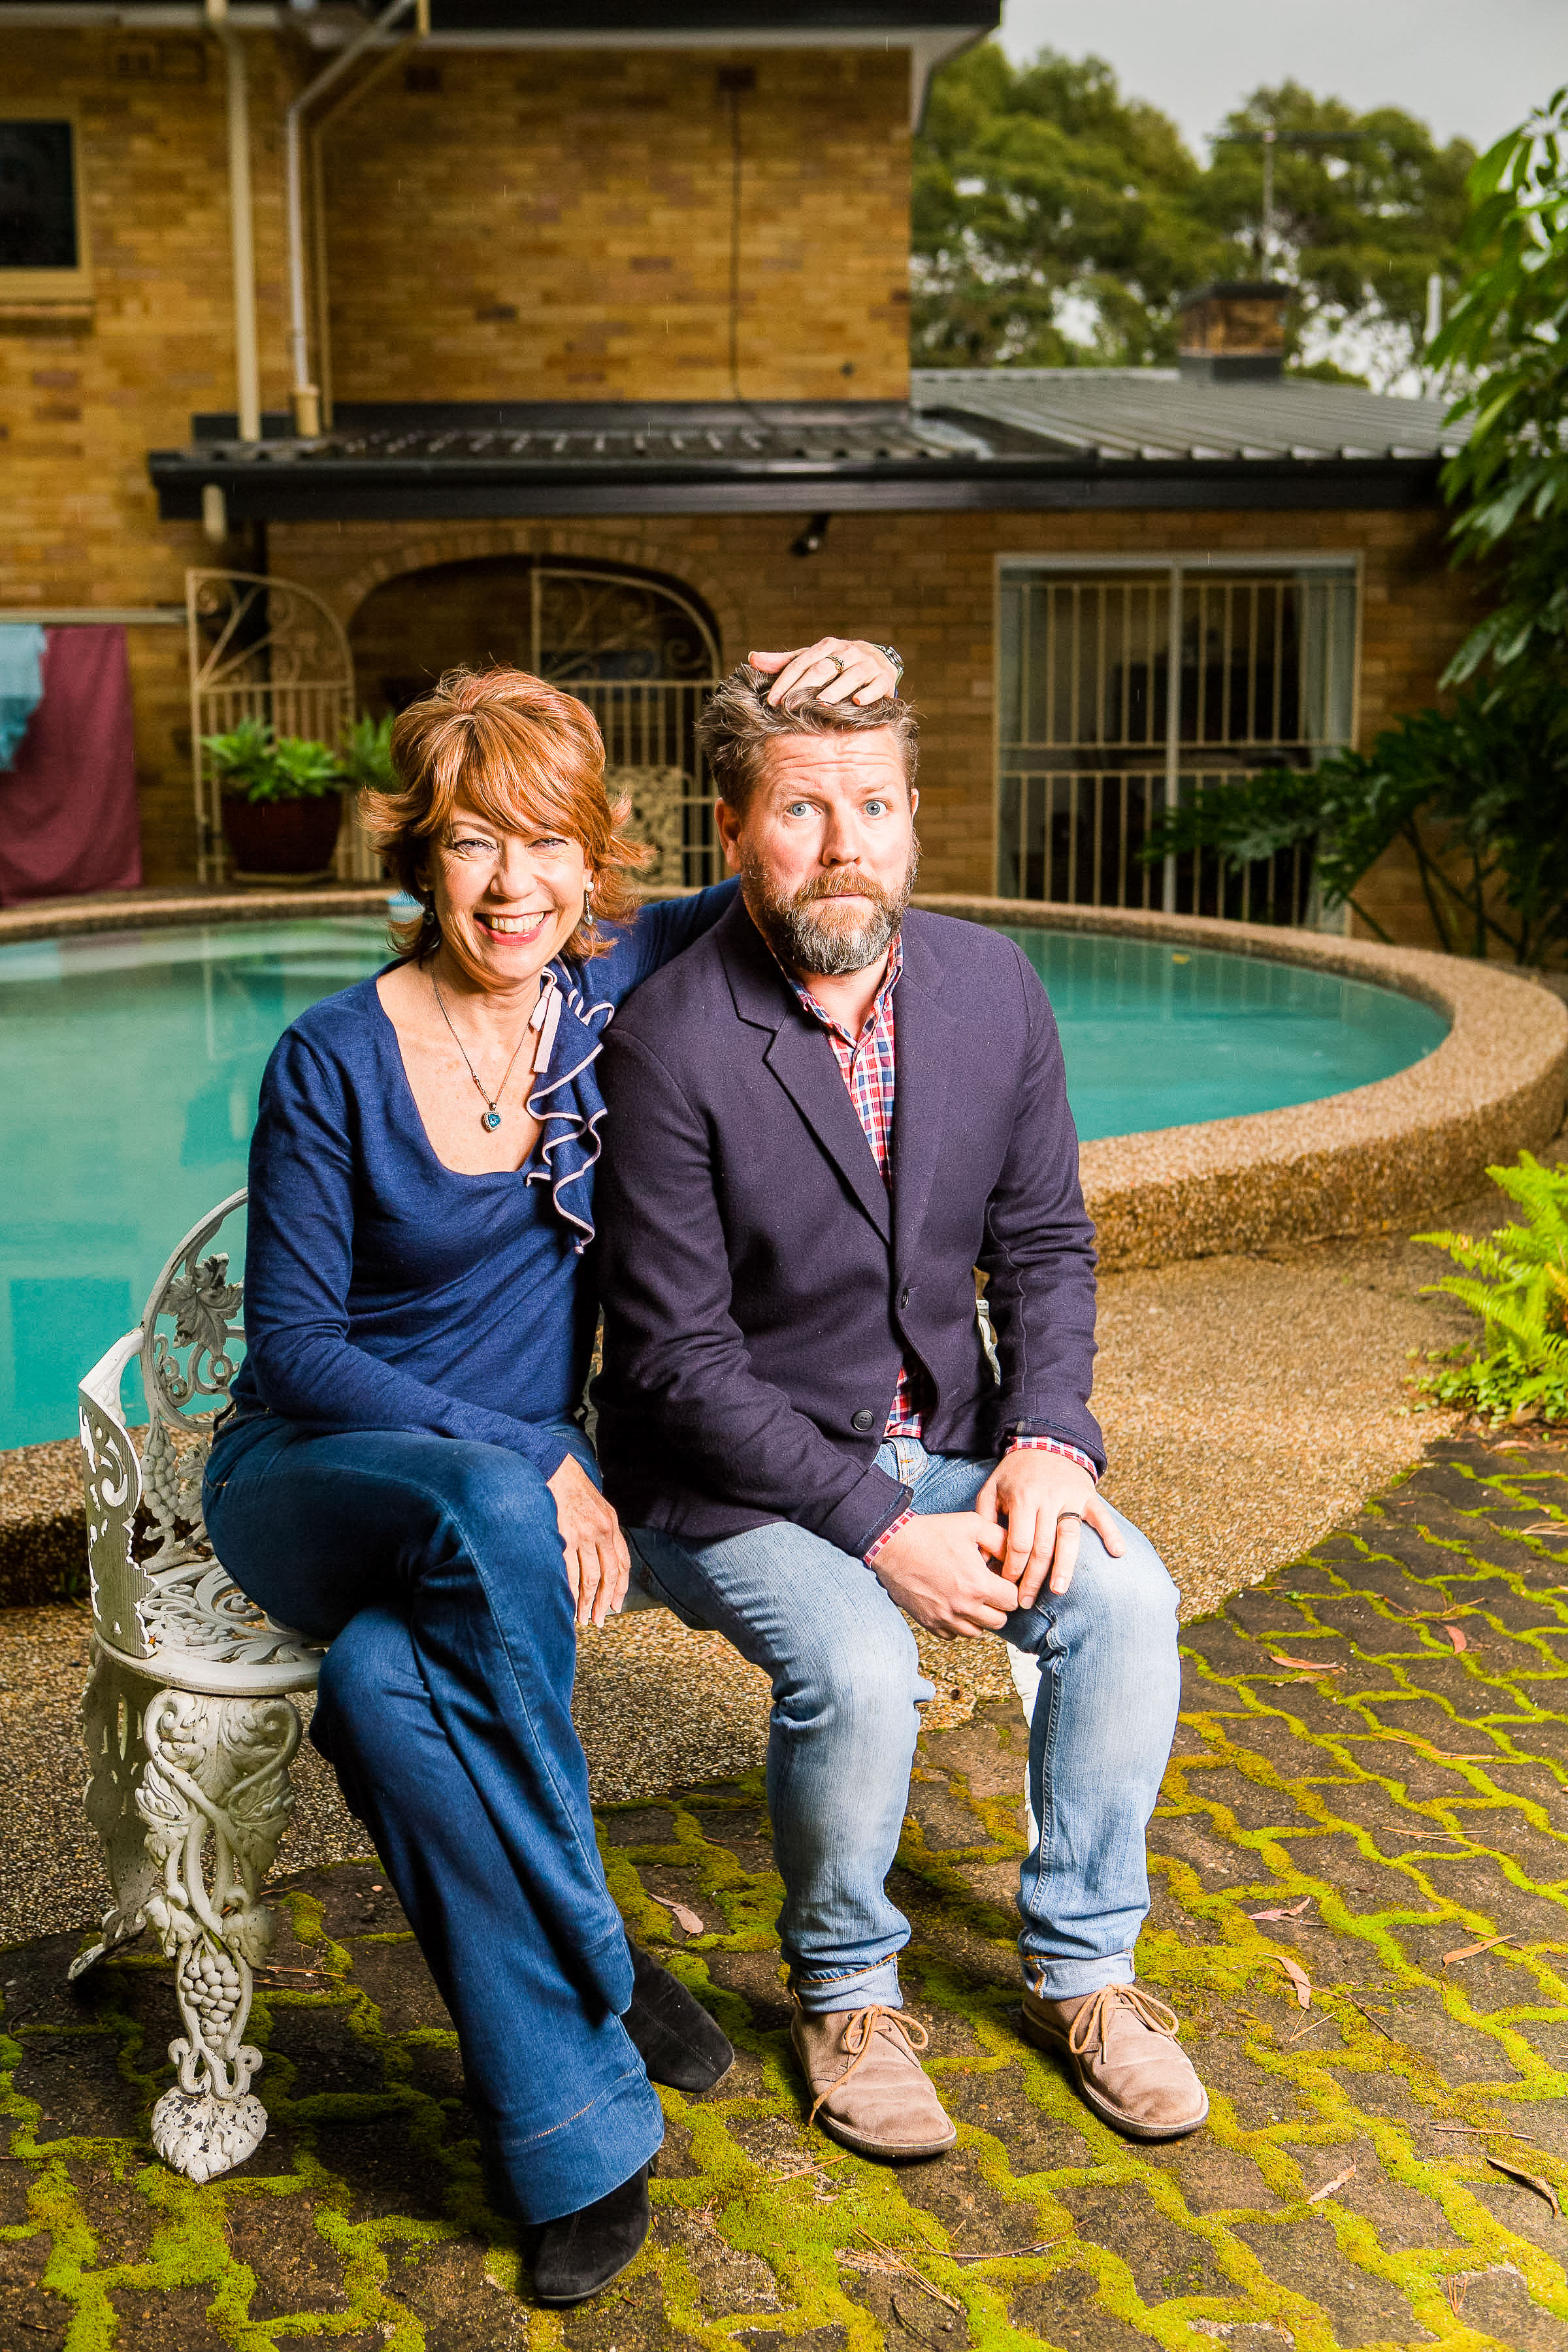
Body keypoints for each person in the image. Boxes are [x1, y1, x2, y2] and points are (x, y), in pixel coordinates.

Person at [200, 639, 900, 2304]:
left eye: (546, 843)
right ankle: (606, 1946)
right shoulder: (334, 1057)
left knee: (384, 1693)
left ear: (596, 858)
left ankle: (570, 2134)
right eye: (469, 841)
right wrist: (542, 1455)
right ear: (420, 856)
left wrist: (810, 686)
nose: (512, 885)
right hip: (317, 1480)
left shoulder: (610, 990)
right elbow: (292, 1350)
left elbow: (789, 853)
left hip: (486, 1531)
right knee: (474, 1501)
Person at [592, 664, 1208, 2166]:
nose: (843, 839)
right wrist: (884, 1531)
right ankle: (850, 1993)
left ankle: (1090, 1967)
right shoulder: (669, 1036)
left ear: (917, 818)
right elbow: (673, 1359)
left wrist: (1052, 1444)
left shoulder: (994, 987)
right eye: (802, 808)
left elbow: (1047, 1246)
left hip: (959, 1439)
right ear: (738, 827)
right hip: (726, 1479)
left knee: (1129, 1601)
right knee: (865, 1672)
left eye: (872, 804)